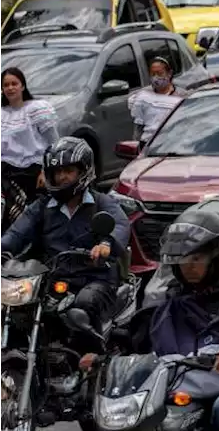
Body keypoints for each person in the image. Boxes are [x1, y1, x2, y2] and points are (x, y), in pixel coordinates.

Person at [80, 210, 219, 431]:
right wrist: (103, 358)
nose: (188, 266)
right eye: (183, 259)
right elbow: (139, 337)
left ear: (216, 257)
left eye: (196, 258)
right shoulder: (171, 297)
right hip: (180, 379)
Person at [0, 137, 129, 331]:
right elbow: (16, 234)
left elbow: (120, 225)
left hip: (95, 277)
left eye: (69, 171)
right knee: (16, 308)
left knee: (84, 305)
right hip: (51, 279)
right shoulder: (42, 206)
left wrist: (106, 244)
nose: (62, 177)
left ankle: (91, 354)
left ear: (83, 171)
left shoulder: (102, 203)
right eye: (57, 172)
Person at [0, 67, 59, 199]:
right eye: (6, 85)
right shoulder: (1, 114)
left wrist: (46, 172)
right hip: (6, 173)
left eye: (14, 84)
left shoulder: (37, 109)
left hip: (34, 171)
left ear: (23, 86)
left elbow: (54, 143)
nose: (10, 88)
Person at [129, 57, 187, 142]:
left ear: (169, 74)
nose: (156, 78)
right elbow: (138, 128)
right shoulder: (144, 97)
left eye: (160, 74)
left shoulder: (182, 96)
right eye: (153, 74)